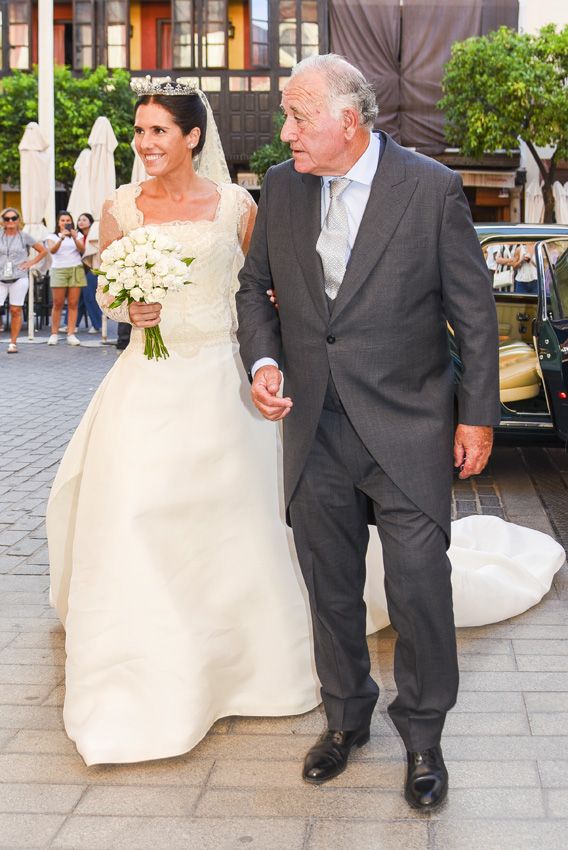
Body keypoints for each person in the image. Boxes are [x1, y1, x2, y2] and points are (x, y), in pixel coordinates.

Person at [236, 54, 501, 810]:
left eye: (297, 116)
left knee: (418, 587)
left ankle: (423, 739)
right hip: (313, 427)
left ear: (346, 120)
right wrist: (261, 359)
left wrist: (477, 414)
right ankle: (346, 720)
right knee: (330, 590)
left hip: (410, 425)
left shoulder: (431, 188)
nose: (284, 130)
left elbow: (473, 313)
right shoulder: (283, 189)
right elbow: (254, 288)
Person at [47, 79, 320, 766]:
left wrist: (277, 363)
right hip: (146, 380)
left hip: (222, 383)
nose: (145, 145)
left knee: (236, 519)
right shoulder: (119, 208)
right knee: (136, 512)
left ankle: (245, 665)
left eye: (158, 132)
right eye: (138, 133)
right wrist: (126, 308)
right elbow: (109, 290)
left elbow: (262, 291)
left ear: (193, 137)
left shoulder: (236, 205)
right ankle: (142, 664)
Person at [0, 207, 47, 353]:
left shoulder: (24, 236)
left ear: (18, 220)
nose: (11, 221)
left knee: (15, 309)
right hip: (0, 277)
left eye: (13, 218)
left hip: (19, 277)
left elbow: (43, 251)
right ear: (3, 221)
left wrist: (30, 263)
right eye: (7, 219)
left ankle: (13, 343)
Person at [46, 211, 87, 345]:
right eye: (62, 220)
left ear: (71, 222)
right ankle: (54, 333)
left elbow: (82, 250)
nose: (65, 222)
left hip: (75, 269)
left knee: (73, 303)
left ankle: (71, 333)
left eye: (68, 220)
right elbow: (52, 250)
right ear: (58, 222)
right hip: (59, 270)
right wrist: (62, 238)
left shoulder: (78, 234)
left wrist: (74, 237)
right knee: (57, 303)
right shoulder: (52, 236)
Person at [76, 212, 103, 334]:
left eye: (84, 220)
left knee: (89, 295)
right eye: (79, 220)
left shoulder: (94, 236)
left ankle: (97, 324)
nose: (80, 222)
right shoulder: (79, 236)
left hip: (94, 268)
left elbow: (85, 251)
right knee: (80, 297)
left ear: (91, 222)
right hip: (81, 269)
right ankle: (72, 323)